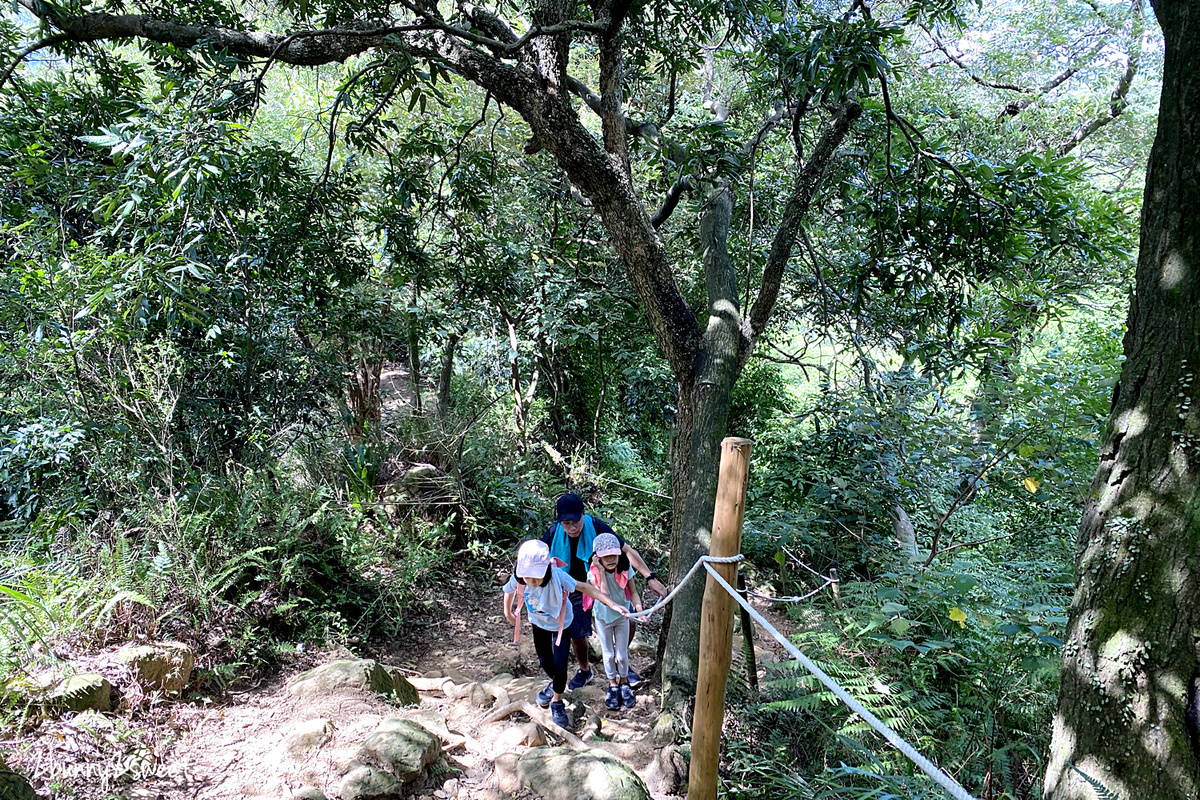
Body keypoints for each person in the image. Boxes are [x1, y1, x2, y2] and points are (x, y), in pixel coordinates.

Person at [541, 492, 668, 690]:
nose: (572, 528)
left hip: (605, 579)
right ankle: (585, 671)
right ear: (560, 521)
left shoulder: (597, 527)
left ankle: (621, 665)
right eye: (566, 523)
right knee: (577, 633)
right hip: (573, 585)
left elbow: (626, 550)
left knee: (627, 616)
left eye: (575, 522)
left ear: (583, 515)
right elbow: (539, 561)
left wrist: (650, 577)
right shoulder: (553, 533)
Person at [502, 539, 629, 729]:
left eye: (536, 576)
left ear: (546, 568)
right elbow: (508, 591)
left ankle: (557, 701)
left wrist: (612, 604)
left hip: (561, 623)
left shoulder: (557, 576)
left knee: (560, 665)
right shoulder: (519, 578)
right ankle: (556, 684)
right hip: (538, 623)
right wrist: (508, 612)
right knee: (545, 661)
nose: (532, 581)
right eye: (528, 576)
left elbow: (585, 587)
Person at [585, 533, 641, 709]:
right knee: (608, 654)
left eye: (613, 555)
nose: (610, 559)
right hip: (603, 618)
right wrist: (600, 571)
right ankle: (613, 685)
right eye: (605, 556)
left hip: (622, 616)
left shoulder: (625, 568)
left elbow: (633, 592)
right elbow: (604, 595)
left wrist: (639, 611)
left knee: (621, 653)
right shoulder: (592, 573)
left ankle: (624, 682)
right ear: (597, 557)